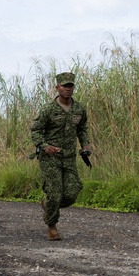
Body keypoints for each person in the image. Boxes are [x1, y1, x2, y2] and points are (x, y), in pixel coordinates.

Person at [30, 72, 91, 241]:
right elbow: (35, 130)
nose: (68, 89)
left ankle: (48, 205)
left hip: (69, 157)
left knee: (72, 193)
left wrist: (85, 145)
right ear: (57, 87)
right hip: (51, 158)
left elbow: (82, 128)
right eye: (64, 86)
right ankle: (52, 226)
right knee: (55, 194)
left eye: (70, 86)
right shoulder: (49, 109)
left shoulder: (79, 109)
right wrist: (44, 146)